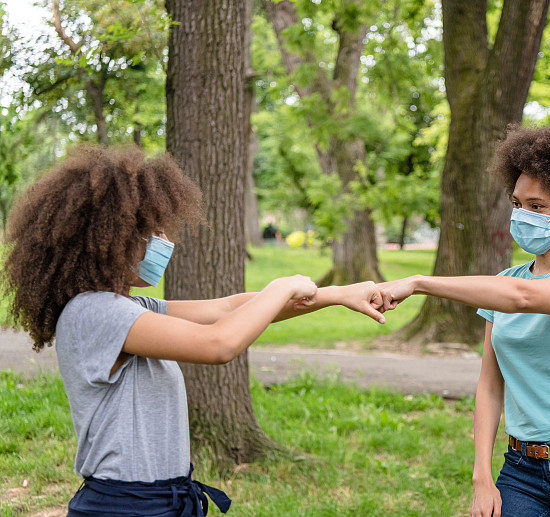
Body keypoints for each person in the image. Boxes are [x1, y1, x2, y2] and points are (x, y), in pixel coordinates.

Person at [1, 144, 387, 516]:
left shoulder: (128, 308)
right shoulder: (94, 313)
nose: (165, 243)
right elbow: (218, 343)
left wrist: (335, 294)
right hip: (127, 505)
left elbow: (227, 309)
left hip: (164, 498)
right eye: (151, 232)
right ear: (109, 238)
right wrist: (281, 285)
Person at [378, 124, 550, 516]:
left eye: (538, 206)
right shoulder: (505, 282)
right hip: (522, 470)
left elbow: (524, 300)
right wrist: (481, 477)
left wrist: (419, 283)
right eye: (517, 204)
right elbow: (489, 385)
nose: (523, 216)